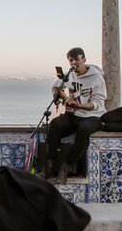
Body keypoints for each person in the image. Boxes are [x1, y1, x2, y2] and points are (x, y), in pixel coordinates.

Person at [45, 47, 107, 184]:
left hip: (94, 116)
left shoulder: (96, 78)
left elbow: (97, 103)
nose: (74, 62)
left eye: (77, 59)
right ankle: (50, 165)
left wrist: (81, 106)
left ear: (84, 59)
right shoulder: (69, 75)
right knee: (55, 125)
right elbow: (56, 87)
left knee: (84, 130)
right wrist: (64, 99)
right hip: (75, 114)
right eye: (71, 60)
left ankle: (66, 165)